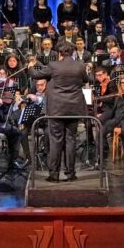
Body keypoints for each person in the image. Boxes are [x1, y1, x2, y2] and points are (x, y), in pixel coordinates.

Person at [28, 41, 91, 182]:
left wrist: (31, 66)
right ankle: (70, 174)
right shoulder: (80, 65)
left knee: (56, 140)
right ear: (73, 52)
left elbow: (36, 74)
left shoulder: (53, 65)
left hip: (56, 109)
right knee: (71, 140)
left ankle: (54, 174)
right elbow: (86, 79)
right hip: (74, 108)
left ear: (59, 53)